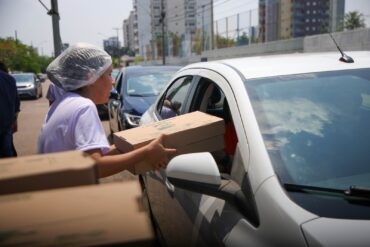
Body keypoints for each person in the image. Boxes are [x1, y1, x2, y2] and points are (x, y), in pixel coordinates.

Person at [38, 43, 177, 177]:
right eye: (109, 74)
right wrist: (146, 153)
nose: (113, 82)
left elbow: (92, 155)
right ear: (91, 77)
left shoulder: (62, 103)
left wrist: (138, 145)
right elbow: (95, 166)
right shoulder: (83, 106)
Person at [0, 61, 20, 158]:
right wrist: (15, 122)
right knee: (7, 151)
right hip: (7, 122)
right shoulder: (10, 79)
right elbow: (16, 103)